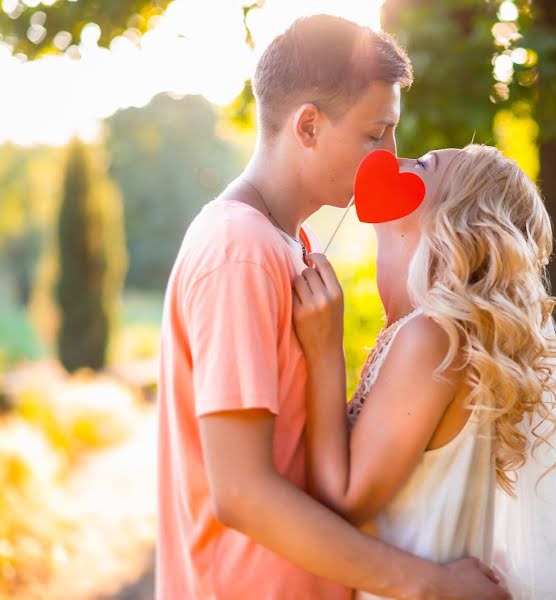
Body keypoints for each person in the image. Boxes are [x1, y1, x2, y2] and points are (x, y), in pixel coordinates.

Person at [155, 15, 508, 600]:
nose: (390, 157)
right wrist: (434, 586)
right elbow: (241, 493)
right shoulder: (238, 250)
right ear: (310, 126)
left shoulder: (292, 245)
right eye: (376, 134)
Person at [293, 144, 556, 599]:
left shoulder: (431, 338)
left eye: (424, 165)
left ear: (456, 220)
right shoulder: (430, 335)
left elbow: (342, 499)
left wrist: (325, 349)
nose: (394, 159)